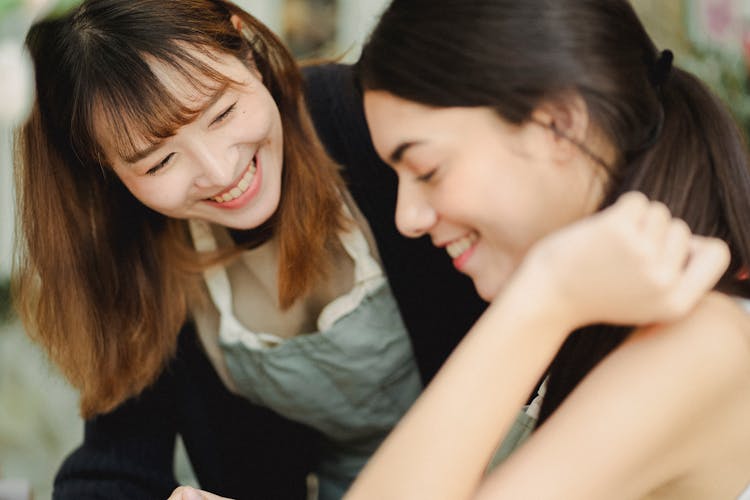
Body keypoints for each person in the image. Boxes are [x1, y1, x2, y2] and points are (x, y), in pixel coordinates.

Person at [13, 1, 486, 499]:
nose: (220, 173)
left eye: (222, 112)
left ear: (248, 51)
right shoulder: (138, 256)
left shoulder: (369, 121)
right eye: (158, 163)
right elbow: (110, 463)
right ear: (100, 169)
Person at [345, 0, 750, 498]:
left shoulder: (697, 342)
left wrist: (548, 293)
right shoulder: (597, 318)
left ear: (559, 125)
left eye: (428, 170)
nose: (406, 218)